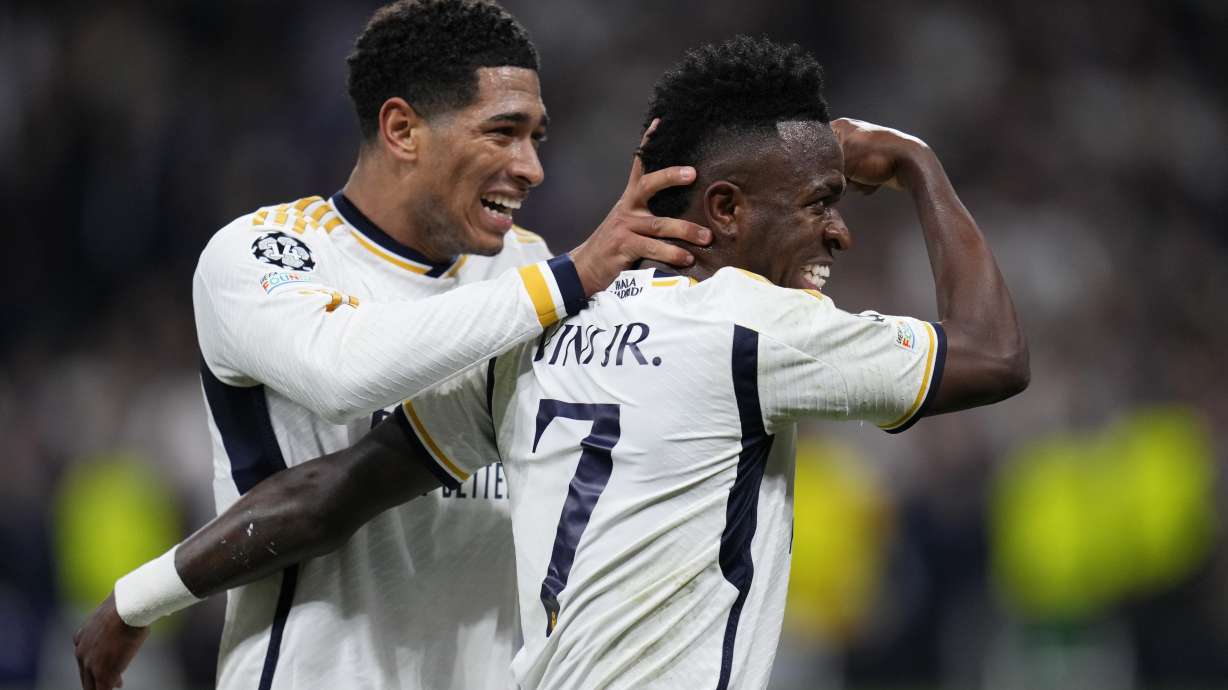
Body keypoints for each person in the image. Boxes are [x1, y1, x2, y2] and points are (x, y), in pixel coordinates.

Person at [76, 36, 1029, 690]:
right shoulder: (750, 324)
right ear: (728, 210)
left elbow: (334, 490)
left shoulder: (541, 326)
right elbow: (993, 356)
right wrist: (915, 163)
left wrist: (135, 598)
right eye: (821, 200)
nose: (837, 231)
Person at [71, 1, 709, 689]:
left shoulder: (531, 269)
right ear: (402, 129)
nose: (531, 168)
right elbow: (344, 370)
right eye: (503, 133)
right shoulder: (263, 255)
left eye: (536, 138)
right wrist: (572, 277)